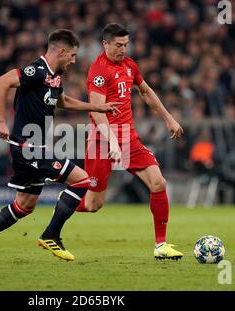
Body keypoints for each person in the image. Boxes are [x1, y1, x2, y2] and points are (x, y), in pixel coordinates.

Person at [0, 29, 119, 267]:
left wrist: (97, 108)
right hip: (28, 147)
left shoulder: (55, 77)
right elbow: (0, 82)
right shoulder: (36, 70)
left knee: (24, 206)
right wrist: (1, 120)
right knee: (82, 180)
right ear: (62, 51)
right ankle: (51, 235)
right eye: (73, 55)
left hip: (35, 146)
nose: (74, 60)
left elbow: (63, 101)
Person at [75, 23, 184, 260]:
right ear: (105, 44)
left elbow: (146, 92)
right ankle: (65, 203)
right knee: (93, 204)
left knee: (158, 183)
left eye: (126, 44)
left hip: (129, 139)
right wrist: (112, 141)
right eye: (118, 45)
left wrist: (168, 118)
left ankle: (161, 245)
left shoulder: (129, 65)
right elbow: (96, 111)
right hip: (101, 140)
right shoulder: (98, 71)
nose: (123, 49)